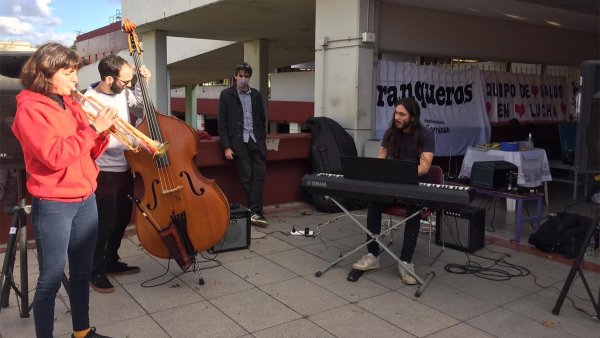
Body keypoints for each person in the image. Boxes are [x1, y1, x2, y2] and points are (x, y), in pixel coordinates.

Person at [11, 43, 115, 338]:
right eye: (68, 73)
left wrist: (103, 132)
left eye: (75, 73)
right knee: (51, 279)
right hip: (54, 202)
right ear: (46, 72)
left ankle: (81, 332)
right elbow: (54, 155)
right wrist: (93, 129)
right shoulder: (30, 109)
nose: (75, 80)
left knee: (81, 273)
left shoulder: (69, 103)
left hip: (85, 197)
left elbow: (85, 151)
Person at [83, 55, 150, 293]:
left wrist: (142, 84)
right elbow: (97, 138)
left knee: (122, 218)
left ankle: (111, 260)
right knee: (104, 223)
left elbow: (139, 107)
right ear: (109, 78)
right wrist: (130, 141)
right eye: (124, 82)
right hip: (104, 171)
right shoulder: (89, 100)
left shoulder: (121, 90)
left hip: (125, 167)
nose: (126, 86)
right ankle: (95, 270)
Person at [352, 97, 435, 285]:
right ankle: (372, 255)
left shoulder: (425, 135)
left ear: (412, 117)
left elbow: (424, 167)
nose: (396, 117)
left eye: (401, 114)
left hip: (416, 185)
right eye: (395, 113)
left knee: (413, 210)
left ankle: (405, 261)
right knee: (374, 204)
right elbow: (380, 159)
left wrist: (400, 174)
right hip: (394, 185)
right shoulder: (391, 133)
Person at [218, 62, 268, 226]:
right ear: (235, 76)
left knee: (259, 176)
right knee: (247, 177)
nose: (243, 79)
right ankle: (256, 212)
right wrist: (226, 146)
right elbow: (222, 123)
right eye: (240, 76)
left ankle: (255, 211)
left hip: (256, 141)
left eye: (246, 76)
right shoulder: (226, 95)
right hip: (238, 142)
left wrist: (262, 138)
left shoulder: (256, 95)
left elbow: (262, 118)